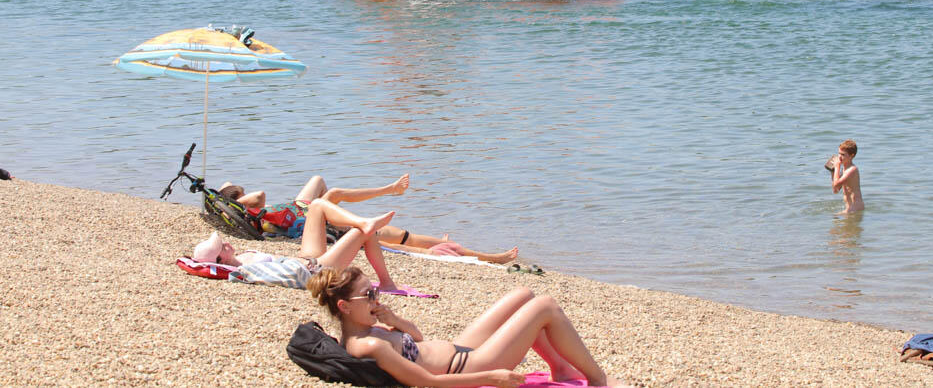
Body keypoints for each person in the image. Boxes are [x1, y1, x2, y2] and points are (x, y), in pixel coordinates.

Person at [308, 268, 628, 387]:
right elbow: (427, 382)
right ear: (345, 307)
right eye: (370, 294)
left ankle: (559, 368)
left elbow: (416, 341)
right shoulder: (369, 346)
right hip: (470, 366)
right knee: (545, 306)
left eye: (375, 290)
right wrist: (492, 377)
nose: (376, 298)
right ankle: (597, 380)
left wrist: (394, 320)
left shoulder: (366, 330)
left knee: (524, 295)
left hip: (459, 347)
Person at [220, 174, 518, 264]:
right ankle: (490, 257)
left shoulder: (264, 212)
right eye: (237, 192)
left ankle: (390, 192)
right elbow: (257, 196)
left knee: (324, 183)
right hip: (314, 221)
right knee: (404, 240)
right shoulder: (252, 209)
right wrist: (229, 194)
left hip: (304, 210)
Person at [195, 199, 400, 290]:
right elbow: (290, 277)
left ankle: (361, 220)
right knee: (364, 233)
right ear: (221, 259)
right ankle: (386, 283)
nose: (227, 243)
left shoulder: (242, 258)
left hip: (307, 259)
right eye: (223, 246)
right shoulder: (246, 271)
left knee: (317, 206)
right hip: (315, 270)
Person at [827, 140, 864, 214]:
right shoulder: (844, 170)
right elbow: (835, 190)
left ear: (852, 155)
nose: (840, 157)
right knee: (835, 220)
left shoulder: (852, 170)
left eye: (843, 155)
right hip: (850, 208)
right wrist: (833, 171)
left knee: (835, 219)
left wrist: (837, 167)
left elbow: (836, 184)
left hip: (855, 208)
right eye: (839, 153)